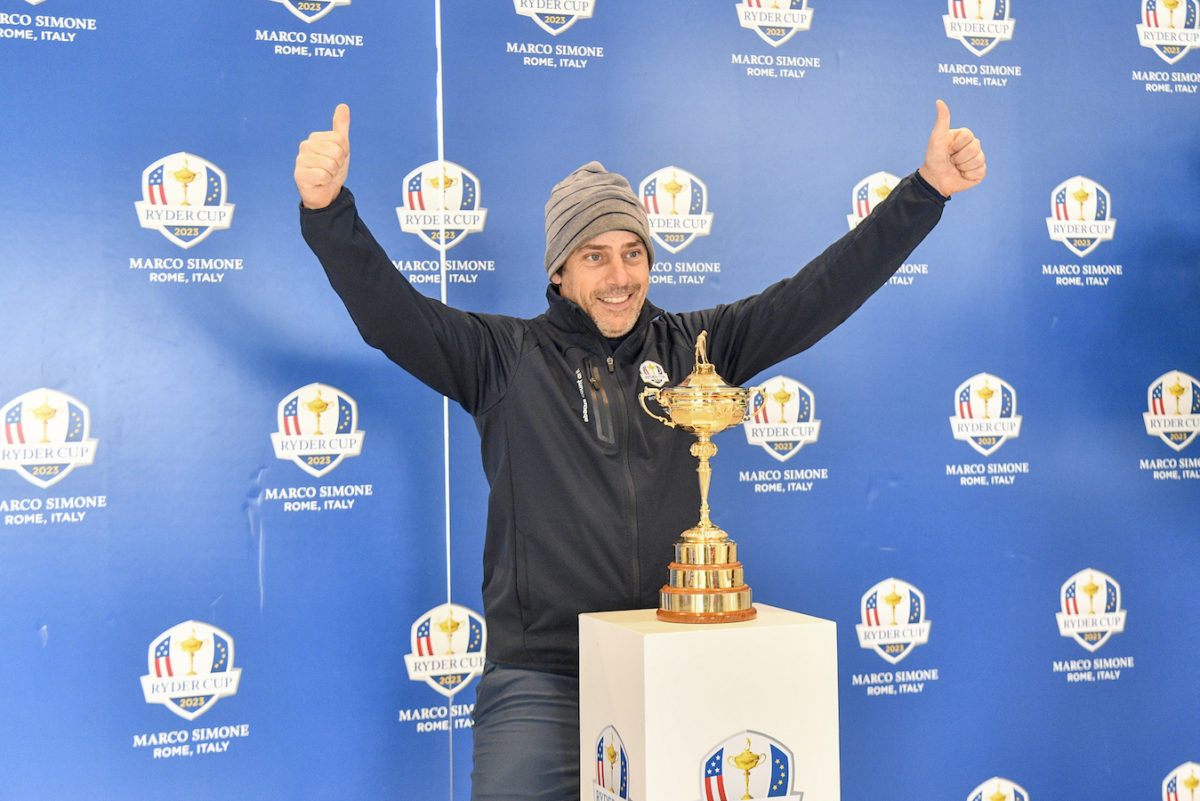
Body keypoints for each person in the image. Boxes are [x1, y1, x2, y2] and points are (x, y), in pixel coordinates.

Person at [295, 101, 985, 800]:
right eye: (595, 256)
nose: (619, 276)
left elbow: (816, 296)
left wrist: (924, 193)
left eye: (633, 253)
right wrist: (328, 215)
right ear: (559, 271)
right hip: (543, 679)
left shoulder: (699, 348)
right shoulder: (501, 357)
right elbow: (391, 314)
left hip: (674, 661)